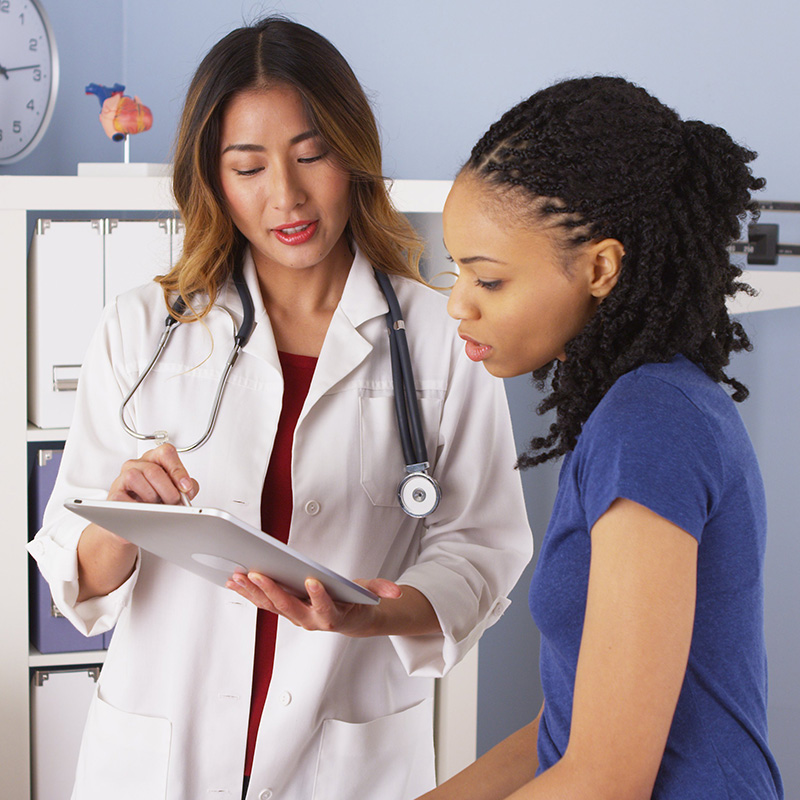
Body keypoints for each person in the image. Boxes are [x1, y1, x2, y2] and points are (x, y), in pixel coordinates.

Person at [28, 17, 532, 800]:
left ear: (353, 155)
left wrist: (375, 615)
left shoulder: (439, 337)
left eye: (311, 155)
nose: (286, 196)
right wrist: (119, 520)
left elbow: (483, 546)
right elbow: (76, 575)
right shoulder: (141, 329)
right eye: (249, 166)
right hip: (161, 758)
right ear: (213, 178)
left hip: (346, 758)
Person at [422, 76, 784, 799]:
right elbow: (565, 733)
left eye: (488, 281)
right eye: (456, 269)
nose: (458, 303)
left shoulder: (651, 419)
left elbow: (605, 779)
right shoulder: (637, 410)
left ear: (600, 267)